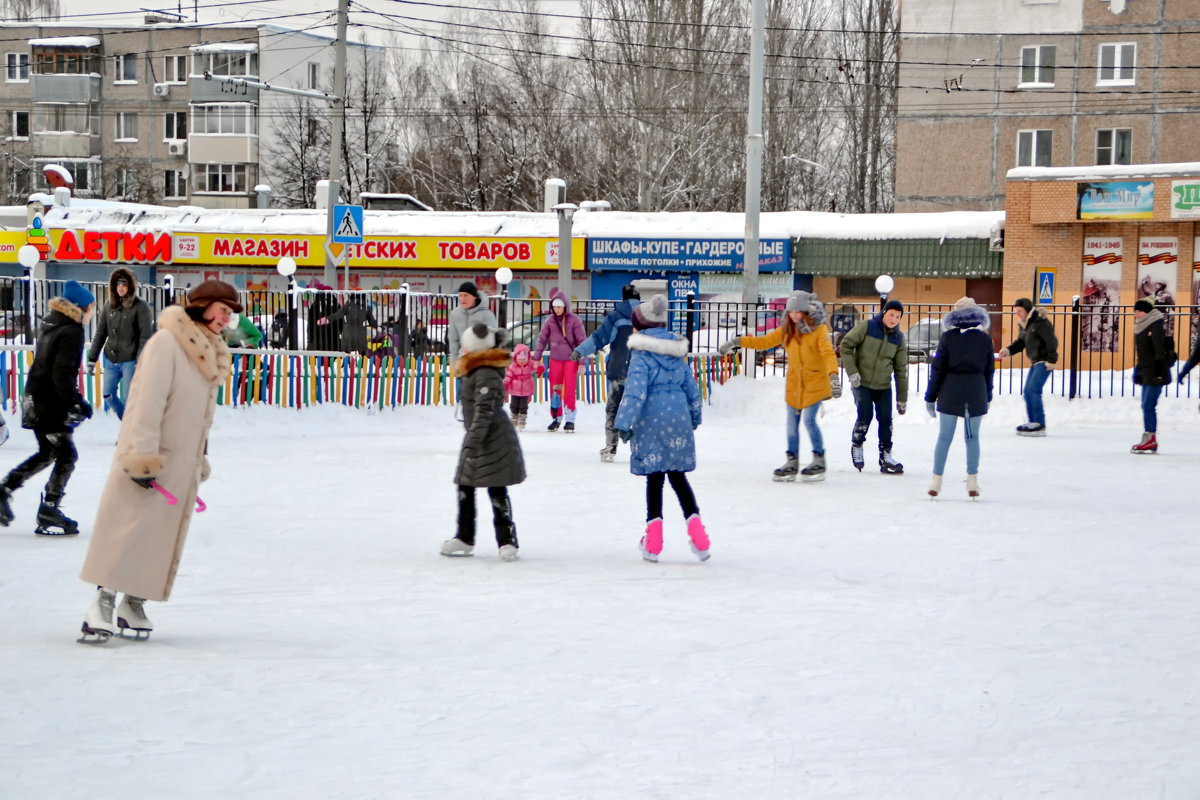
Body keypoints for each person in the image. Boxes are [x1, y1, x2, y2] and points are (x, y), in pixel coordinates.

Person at [77, 280, 239, 643]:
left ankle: (133, 602)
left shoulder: (210, 349)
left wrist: (201, 458)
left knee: (160, 538)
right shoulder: (167, 343)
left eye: (230, 314)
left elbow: (200, 413)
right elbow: (145, 402)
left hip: (182, 462)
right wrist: (141, 456)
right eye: (222, 310)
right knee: (127, 531)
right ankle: (101, 602)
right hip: (150, 457)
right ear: (202, 306)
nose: (226, 320)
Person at [613, 294, 708, 562]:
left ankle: (653, 544)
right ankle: (700, 539)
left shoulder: (641, 356)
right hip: (677, 418)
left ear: (641, 327)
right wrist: (694, 416)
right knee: (678, 478)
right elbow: (692, 389)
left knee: (655, 480)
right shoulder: (676, 354)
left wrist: (623, 423)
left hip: (651, 421)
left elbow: (634, 393)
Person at [0, 281, 95, 535]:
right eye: (90, 308)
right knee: (65, 455)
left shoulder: (53, 323)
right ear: (80, 307)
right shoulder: (72, 331)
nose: (92, 313)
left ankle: (6, 490)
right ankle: (49, 508)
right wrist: (75, 402)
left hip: (34, 397)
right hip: (49, 403)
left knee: (47, 452)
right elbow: (62, 372)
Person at [718, 290, 840, 482]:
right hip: (794, 386)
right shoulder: (787, 331)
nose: (794, 315)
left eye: (797, 311)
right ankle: (792, 461)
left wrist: (833, 377)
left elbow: (828, 354)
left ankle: (819, 459)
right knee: (792, 425)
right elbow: (763, 341)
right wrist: (737, 341)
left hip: (815, 384)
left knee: (809, 421)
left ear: (806, 311)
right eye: (791, 312)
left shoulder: (819, 330)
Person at [440, 323, 525, 561]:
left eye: (466, 344)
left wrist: (472, 441)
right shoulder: (475, 369)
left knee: (496, 489)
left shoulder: (485, 372)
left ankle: (507, 541)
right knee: (465, 485)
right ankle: (464, 537)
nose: (463, 348)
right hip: (480, 437)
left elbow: (485, 411)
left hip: (493, 439)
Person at [924, 297, 994, 499]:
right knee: (972, 438)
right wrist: (987, 395)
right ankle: (972, 481)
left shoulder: (948, 338)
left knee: (944, 437)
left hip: (950, 390)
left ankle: (936, 481)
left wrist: (931, 397)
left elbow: (937, 369)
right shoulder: (985, 339)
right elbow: (990, 370)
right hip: (976, 390)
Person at [839, 298, 909, 474]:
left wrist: (902, 399)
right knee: (865, 415)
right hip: (861, 382)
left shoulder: (899, 338)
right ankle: (857, 444)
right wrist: (852, 371)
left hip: (883, 385)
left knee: (886, 419)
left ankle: (885, 455)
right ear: (884, 313)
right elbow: (845, 345)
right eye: (891, 314)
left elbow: (901, 369)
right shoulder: (867, 327)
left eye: (898, 317)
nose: (894, 319)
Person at [572, 283, 640, 462]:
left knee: (613, 409)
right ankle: (641, 445)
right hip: (642, 372)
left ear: (623, 298)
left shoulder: (616, 317)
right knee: (641, 409)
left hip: (619, 371)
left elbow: (598, 338)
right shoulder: (648, 318)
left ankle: (611, 446)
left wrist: (580, 350)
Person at [86, 268, 152, 420]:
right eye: (118, 285)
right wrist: (92, 358)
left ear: (130, 287)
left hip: (130, 360)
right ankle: (128, 424)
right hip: (111, 359)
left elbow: (145, 336)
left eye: (124, 285)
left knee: (130, 398)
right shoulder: (109, 306)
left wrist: (140, 360)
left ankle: (128, 432)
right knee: (108, 394)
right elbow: (100, 333)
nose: (120, 288)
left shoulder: (140, 307)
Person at [998, 297, 1058, 436]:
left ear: (1027, 310)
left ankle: (1039, 424)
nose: (1017, 314)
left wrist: (1051, 360)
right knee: (1027, 392)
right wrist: (1008, 350)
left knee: (1033, 390)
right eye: (1016, 311)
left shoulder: (1040, 323)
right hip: (1035, 361)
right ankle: (1033, 422)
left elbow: (1051, 341)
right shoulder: (1026, 325)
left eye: (1019, 311)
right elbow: (1020, 343)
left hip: (1044, 361)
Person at [533, 288, 587, 432]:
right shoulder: (550, 321)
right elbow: (542, 339)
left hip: (571, 360)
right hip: (555, 360)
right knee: (555, 389)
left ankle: (570, 419)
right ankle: (556, 417)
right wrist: (536, 358)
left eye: (559, 306)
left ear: (565, 306)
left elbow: (582, 341)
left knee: (569, 389)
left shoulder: (574, 320)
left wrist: (582, 362)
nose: (557, 309)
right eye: (555, 306)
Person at [1131, 297, 1174, 454]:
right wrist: (1138, 370)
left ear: (1146, 312)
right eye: (1135, 311)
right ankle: (1149, 437)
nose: (1136, 314)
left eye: (1138, 311)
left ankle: (1151, 439)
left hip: (1155, 373)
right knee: (1145, 406)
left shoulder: (1154, 326)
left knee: (1149, 406)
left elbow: (1159, 352)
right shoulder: (1142, 327)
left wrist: (1157, 372)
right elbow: (1142, 353)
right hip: (1147, 372)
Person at [447, 281, 497, 398]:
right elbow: (453, 339)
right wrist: (455, 364)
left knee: (481, 401)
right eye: (460, 295)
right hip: (463, 364)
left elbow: (493, 339)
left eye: (466, 295)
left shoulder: (486, 315)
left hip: (481, 366)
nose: (462, 298)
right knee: (464, 400)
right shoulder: (455, 314)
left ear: (474, 297)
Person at [503, 343, 540, 430]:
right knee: (514, 405)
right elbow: (508, 376)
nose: (522, 361)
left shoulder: (530, 365)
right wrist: (506, 383)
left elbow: (538, 366)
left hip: (526, 390)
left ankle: (522, 419)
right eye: (520, 359)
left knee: (523, 405)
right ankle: (514, 417)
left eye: (524, 359)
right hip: (515, 390)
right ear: (516, 358)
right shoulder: (513, 367)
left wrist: (539, 368)